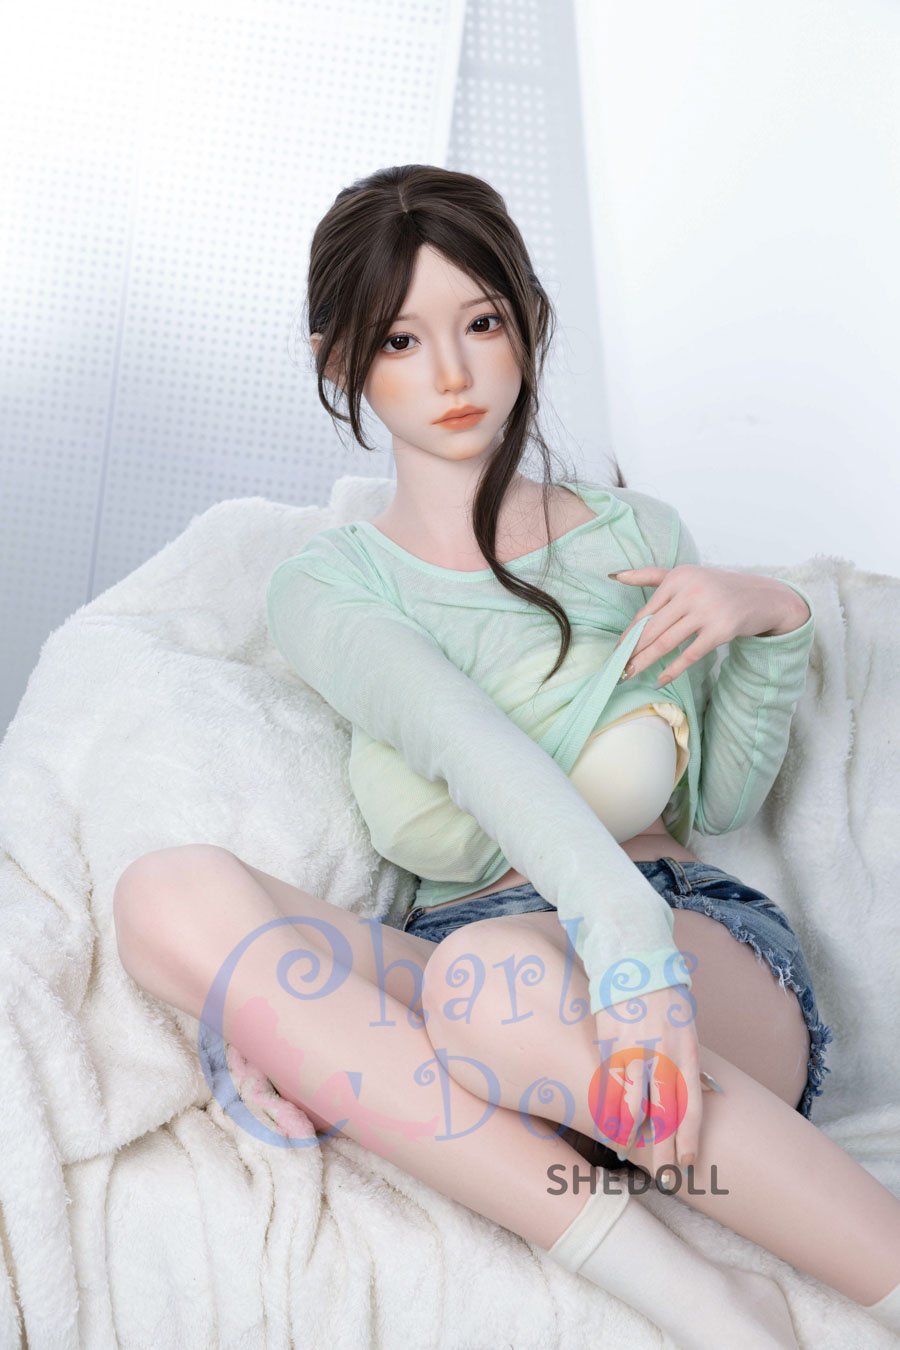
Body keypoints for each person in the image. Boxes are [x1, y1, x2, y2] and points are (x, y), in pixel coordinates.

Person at [113, 164, 900, 1347]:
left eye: (481, 323)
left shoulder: (635, 536)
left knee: (491, 986)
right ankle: (693, 1295)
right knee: (164, 896)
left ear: (529, 318)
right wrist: (275, 1009)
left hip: (682, 940)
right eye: (401, 340)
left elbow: (726, 797)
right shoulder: (333, 586)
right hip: (475, 976)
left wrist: (772, 626)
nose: (452, 374)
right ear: (342, 363)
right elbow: (471, 749)